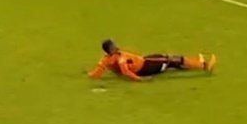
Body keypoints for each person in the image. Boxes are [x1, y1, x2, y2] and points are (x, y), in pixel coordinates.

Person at [88, 40, 216, 82]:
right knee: (173, 59)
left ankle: (195, 63)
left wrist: (89, 75)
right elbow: (125, 71)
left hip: (144, 60)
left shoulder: (105, 60)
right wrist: (140, 79)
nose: (116, 46)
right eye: (113, 46)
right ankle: (204, 65)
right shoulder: (120, 58)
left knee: (169, 60)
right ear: (110, 49)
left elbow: (97, 72)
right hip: (145, 66)